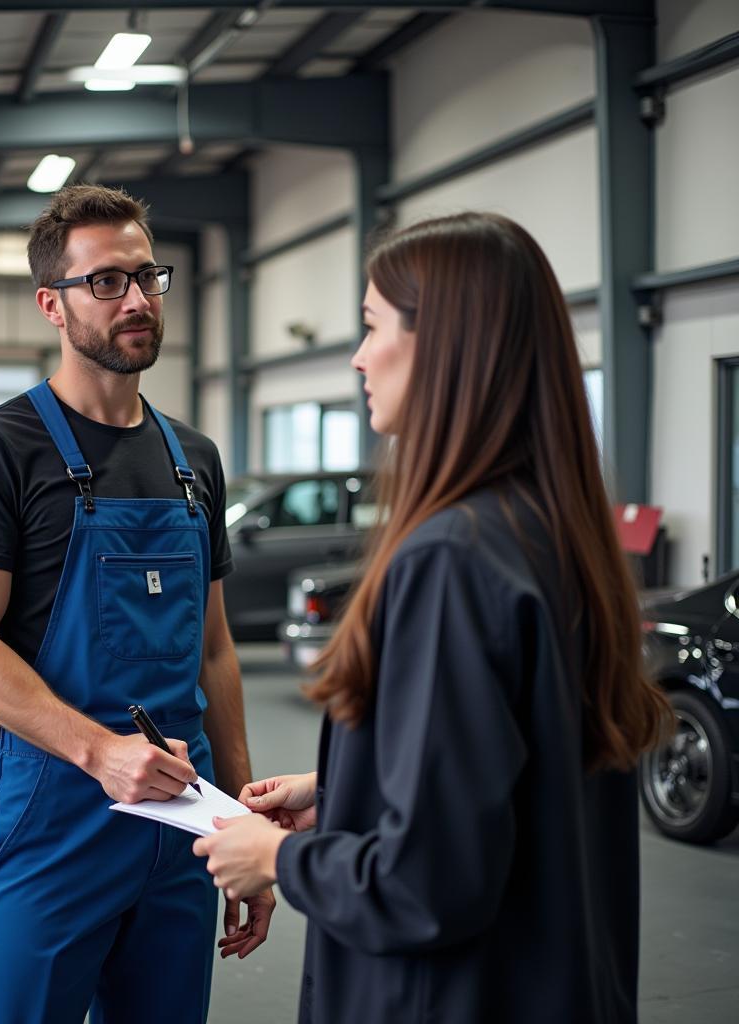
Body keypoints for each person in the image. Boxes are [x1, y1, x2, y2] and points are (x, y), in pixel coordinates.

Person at [193, 212, 671, 1024]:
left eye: (374, 325)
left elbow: (427, 884)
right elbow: (511, 778)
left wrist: (278, 856)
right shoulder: (552, 535)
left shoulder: (449, 560)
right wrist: (345, 791)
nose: (357, 356)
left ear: (444, 346)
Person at [0, 184, 274, 1024]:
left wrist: (235, 822)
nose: (137, 301)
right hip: (53, 822)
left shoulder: (195, 460)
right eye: (107, 283)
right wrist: (101, 754)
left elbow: (215, 651)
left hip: (178, 825)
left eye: (148, 277)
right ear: (52, 304)